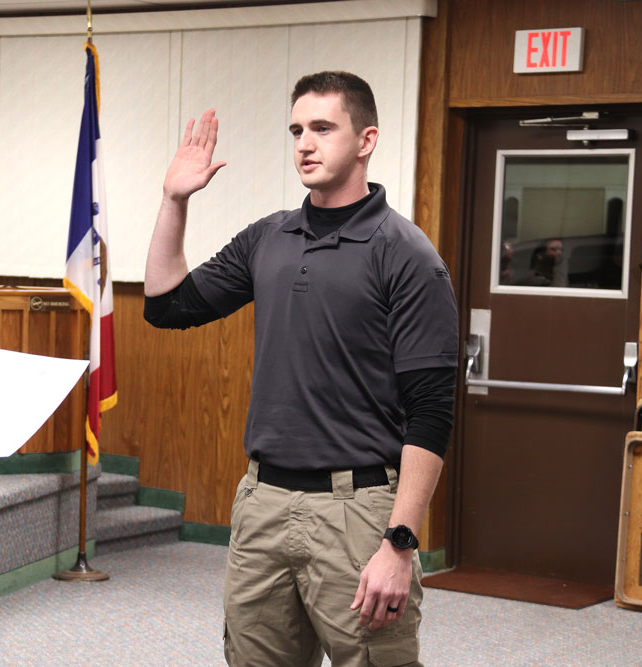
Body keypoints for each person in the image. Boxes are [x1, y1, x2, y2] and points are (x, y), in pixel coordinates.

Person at [144, 71, 458, 666]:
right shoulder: (270, 236)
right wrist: (174, 200)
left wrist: (400, 541)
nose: (304, 144)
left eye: (322, 128)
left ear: (365, 141)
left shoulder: (407, 254)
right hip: (263, 502)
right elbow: (166, 306)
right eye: (296, 130)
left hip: (359, 511)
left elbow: (432, 412)